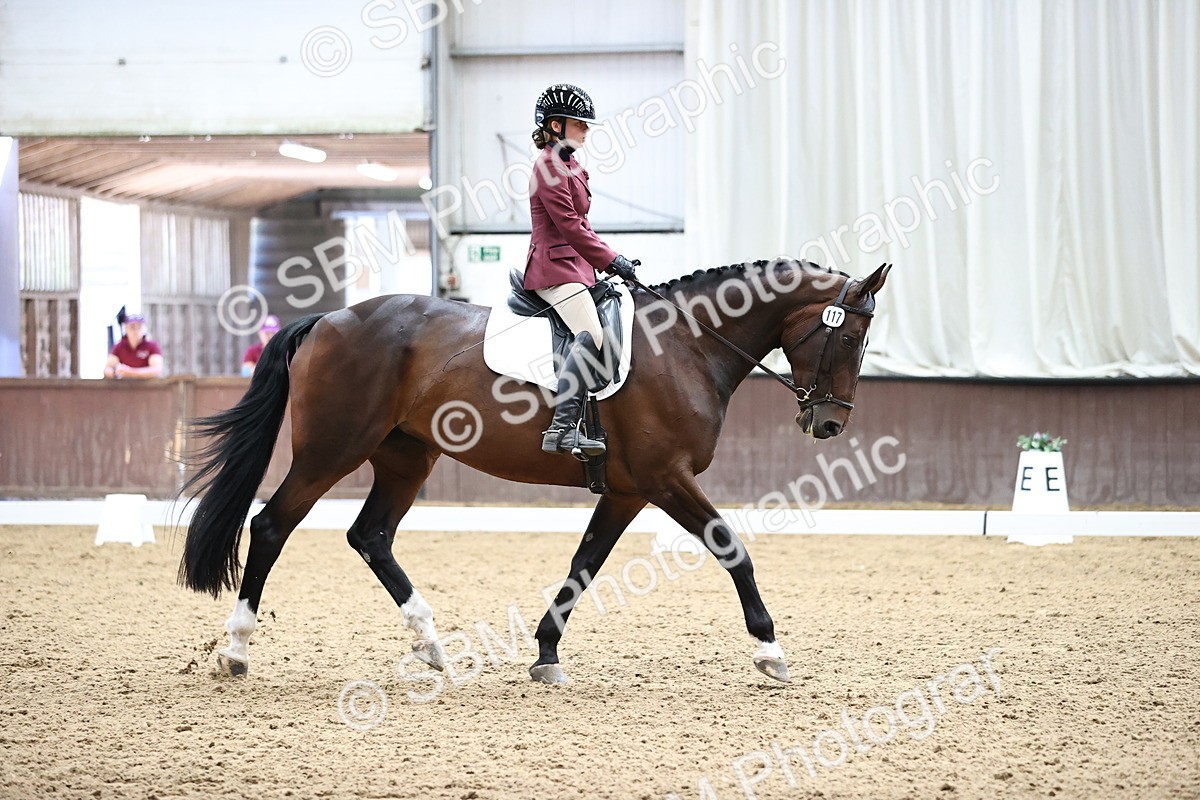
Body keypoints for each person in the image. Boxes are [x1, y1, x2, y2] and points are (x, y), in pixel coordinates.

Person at [524, 83, 640, 457]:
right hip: (553, 270)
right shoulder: (547, 167)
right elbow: (570, 226)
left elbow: (584, 226)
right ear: (556, 126)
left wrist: (611, 259)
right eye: (579, 123)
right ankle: (561, 430)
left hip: (577, 269)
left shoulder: (572, 165)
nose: (586, 129)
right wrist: (610, 260)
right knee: (590, 334)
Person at [103, 312, 164, 379]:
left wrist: (131, 372)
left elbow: (156, 370)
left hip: (148, 387)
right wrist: (112, 372)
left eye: (139, 327)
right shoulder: (120, 346)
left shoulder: (152, 346)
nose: (136, 331)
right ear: (126, 329)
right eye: (132, 327)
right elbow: (108, 367)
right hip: (127, 387)